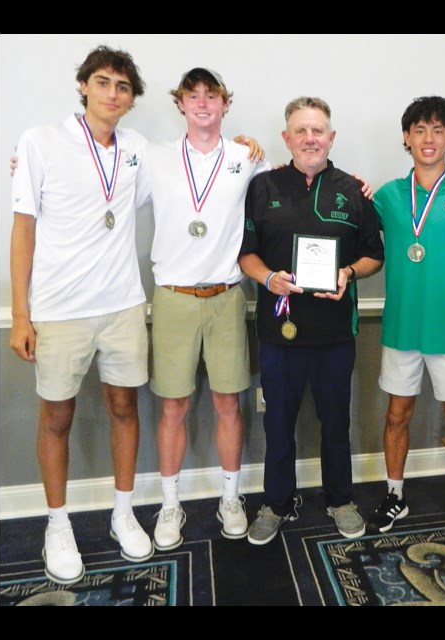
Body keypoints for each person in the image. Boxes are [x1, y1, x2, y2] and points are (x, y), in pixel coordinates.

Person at [9, 46, 155, 585]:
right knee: (57, 419)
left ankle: (122, 512)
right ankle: (57, 523)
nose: (113, 93)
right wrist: (20, 315)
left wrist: (252, 150)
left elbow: (195, 166)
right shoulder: (39, 143)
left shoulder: (137, 148)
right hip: (59, 310)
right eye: (103, 82)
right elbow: (22, 230)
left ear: (131, 98)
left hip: (121, 305)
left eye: (122, 86)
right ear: (83, 86)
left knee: (124, 408)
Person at [238, 96, 384, 545]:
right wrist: (268, 279)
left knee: (335, 421)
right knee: (277, 422)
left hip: (335, 332)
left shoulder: (354, 191)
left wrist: (348, 272)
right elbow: (246, 254)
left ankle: (340, 499)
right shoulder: (262, 187)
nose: (309, 138)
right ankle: (276, 503)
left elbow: (374, 255)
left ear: (331, 137)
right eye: (300, 130)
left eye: (317, 130)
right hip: (278, 332)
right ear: (287, 138)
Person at [142, 68, 271, 549]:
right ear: (180, 104)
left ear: (224, 104)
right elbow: (106, 192)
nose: (202, 103)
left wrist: (356, 183)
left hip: (226, 296)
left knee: (228, 404)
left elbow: (293, 190)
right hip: (174, 296)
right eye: (192, 96)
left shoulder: (246, 157)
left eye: (211, 95)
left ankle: (231, 498)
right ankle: (170, 504)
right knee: (172, 405)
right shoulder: (154, 157)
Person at [366, 97, 445, 550]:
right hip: (403, 327)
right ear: (406, 137)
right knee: (395, 415)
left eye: (438, 130)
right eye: (419, 129)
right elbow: (358, 233)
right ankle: (394, 495)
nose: (428, 139)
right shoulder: (385, 196)